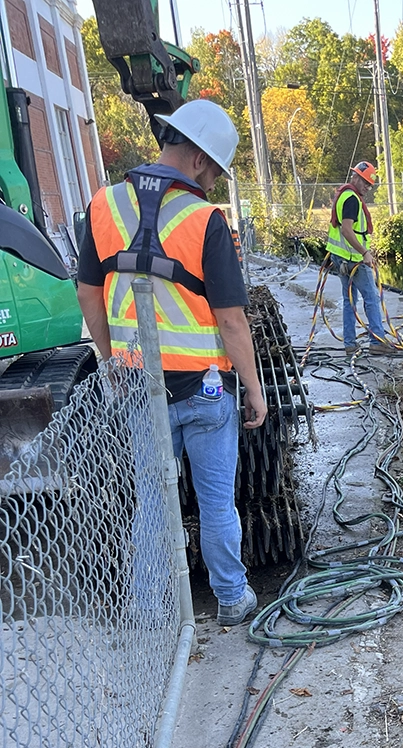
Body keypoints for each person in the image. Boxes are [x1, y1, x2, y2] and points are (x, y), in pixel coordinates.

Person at [77, 100, 267, 627]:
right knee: (216, 503)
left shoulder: (103, 205)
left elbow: (89, 294)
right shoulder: (205, 220)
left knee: (153, 504)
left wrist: (113, 359)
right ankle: (232, 599)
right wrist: (253, 388)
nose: (213, 182)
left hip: (140, 386)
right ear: (201, 159)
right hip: (206, 389)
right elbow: (231, 320)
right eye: (216, 171)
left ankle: (147, 613)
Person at [325, 161, 393, 354]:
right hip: (353, 259)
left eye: (369, 184)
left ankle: (350, 343)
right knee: (371, 297)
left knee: (350, 300)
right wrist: (364, 252)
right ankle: (377, 341)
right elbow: (347, 230)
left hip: (341, 258)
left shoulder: (344, 195)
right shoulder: (352, 200)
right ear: (355, 177)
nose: (367, 187)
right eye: (364, 182)